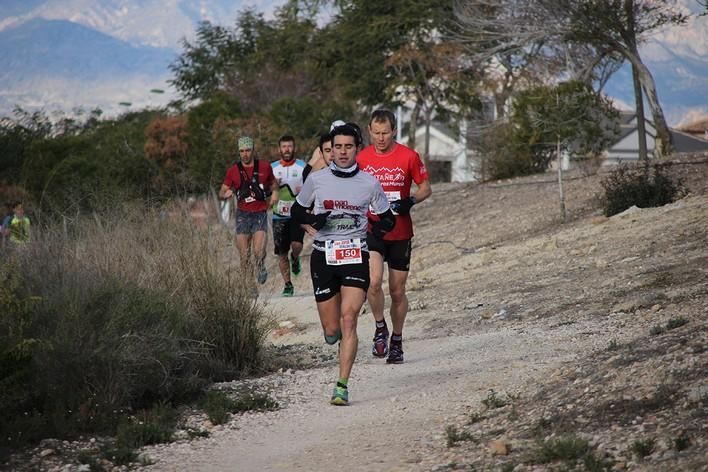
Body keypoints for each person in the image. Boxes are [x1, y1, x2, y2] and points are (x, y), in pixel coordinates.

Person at [291, 124, 395, 406]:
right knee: (331, 330)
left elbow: (388, 218)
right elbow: (298, 210)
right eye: (338, 147)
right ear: (330, 150)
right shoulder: (318, 179)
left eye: (349, 147)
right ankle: (333, 335)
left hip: (355, 255)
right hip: (323, 256)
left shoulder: (370, 182)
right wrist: (314, 222)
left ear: (357, 148)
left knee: (349, 320)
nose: (343, 152)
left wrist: (376, 232)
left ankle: (342, 385)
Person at [357, 109, 432, 364]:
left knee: (398, 291)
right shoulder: (361, 159)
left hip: (400, 232)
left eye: (385, 133)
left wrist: (410, 200)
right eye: (376, 133)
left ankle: (397, 340)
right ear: (369, 131)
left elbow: (425, 188)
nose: (380, 138)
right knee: (374, 282)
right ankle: (380, 328)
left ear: (394, 131)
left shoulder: (408, 156)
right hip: (372, 230)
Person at [219, 136, 278, 287]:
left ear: (253, 150)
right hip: (242, 215)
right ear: (238, 152)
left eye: (247, 150)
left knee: (259, 251)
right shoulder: (233, 171)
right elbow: (222, 190)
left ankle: (260, 265)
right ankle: (250, 285)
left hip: (260, 213)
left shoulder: (264, 167)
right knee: (244, 255)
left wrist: (275, 194)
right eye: (241, 151)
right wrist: (226, 193)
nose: (245, 154)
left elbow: (273, 183)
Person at [270, 135, 307, 297]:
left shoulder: (302, 166)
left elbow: (311, 187)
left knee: (297, 245)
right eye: (284, 146)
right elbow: (265, 191)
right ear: (279, 149)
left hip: (297, 214)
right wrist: (273, 188)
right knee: (281, 252)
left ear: (295, 148)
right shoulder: (271, 168)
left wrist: (304, 192)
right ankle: (288, 284)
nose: (287, 149)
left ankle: (296, 257)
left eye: (290, 146)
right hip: (279, 216)